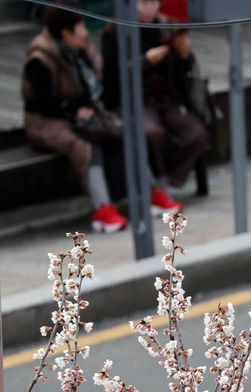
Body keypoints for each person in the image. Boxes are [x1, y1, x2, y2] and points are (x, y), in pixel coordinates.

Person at [21, 1, 183, 233]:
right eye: (81, 27)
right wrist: (74, 110)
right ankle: (102, 209)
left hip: (83, 114)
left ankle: (151, 191)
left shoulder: (80, 48)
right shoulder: (41, 58)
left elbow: (100, 81)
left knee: (126, 130)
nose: (86, 32)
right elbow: (43, 103)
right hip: (47, 122)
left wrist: (87, 107)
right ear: (66, 33)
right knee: (87, 147)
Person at [102, 0, 209, 190]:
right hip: (135, 100)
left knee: (196, 132)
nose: (148, 8)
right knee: (152, 132)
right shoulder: (115, 32)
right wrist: (144, 62)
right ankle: (159, 181)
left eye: (153, 2)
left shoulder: (167, 27)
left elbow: (181, 75)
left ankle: (171, 178)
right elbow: (113, 78)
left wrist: (185, 56)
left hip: (167, 99)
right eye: (143, 3)